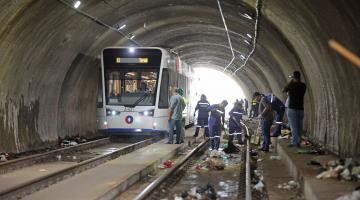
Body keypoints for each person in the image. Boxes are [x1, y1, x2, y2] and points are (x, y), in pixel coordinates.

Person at [283, 71, 306, 147]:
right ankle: (298, 141)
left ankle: (294, 142)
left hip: (292, 109)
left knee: (294, 127)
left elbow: (284, 90)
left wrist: (291, 82)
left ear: (293, 78)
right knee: (299, 126)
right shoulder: (303, 85)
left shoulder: (291, 85)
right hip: (301, 109)